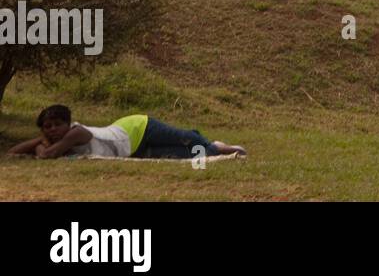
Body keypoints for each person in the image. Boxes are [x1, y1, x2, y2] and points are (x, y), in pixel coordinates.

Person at [6, 104, 247, 159]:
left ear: (68, 124)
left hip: (137, 128)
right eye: (47, 127)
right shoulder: (55, 140)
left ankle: (205, 139)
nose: (53, 129)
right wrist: (41, 139)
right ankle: (216, 147)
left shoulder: (77, 133)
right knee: (193, 156)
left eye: (57, 124)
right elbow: (13, 152)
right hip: (133, 151)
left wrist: (42, 143)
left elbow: (47, 156)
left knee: (187, 139)